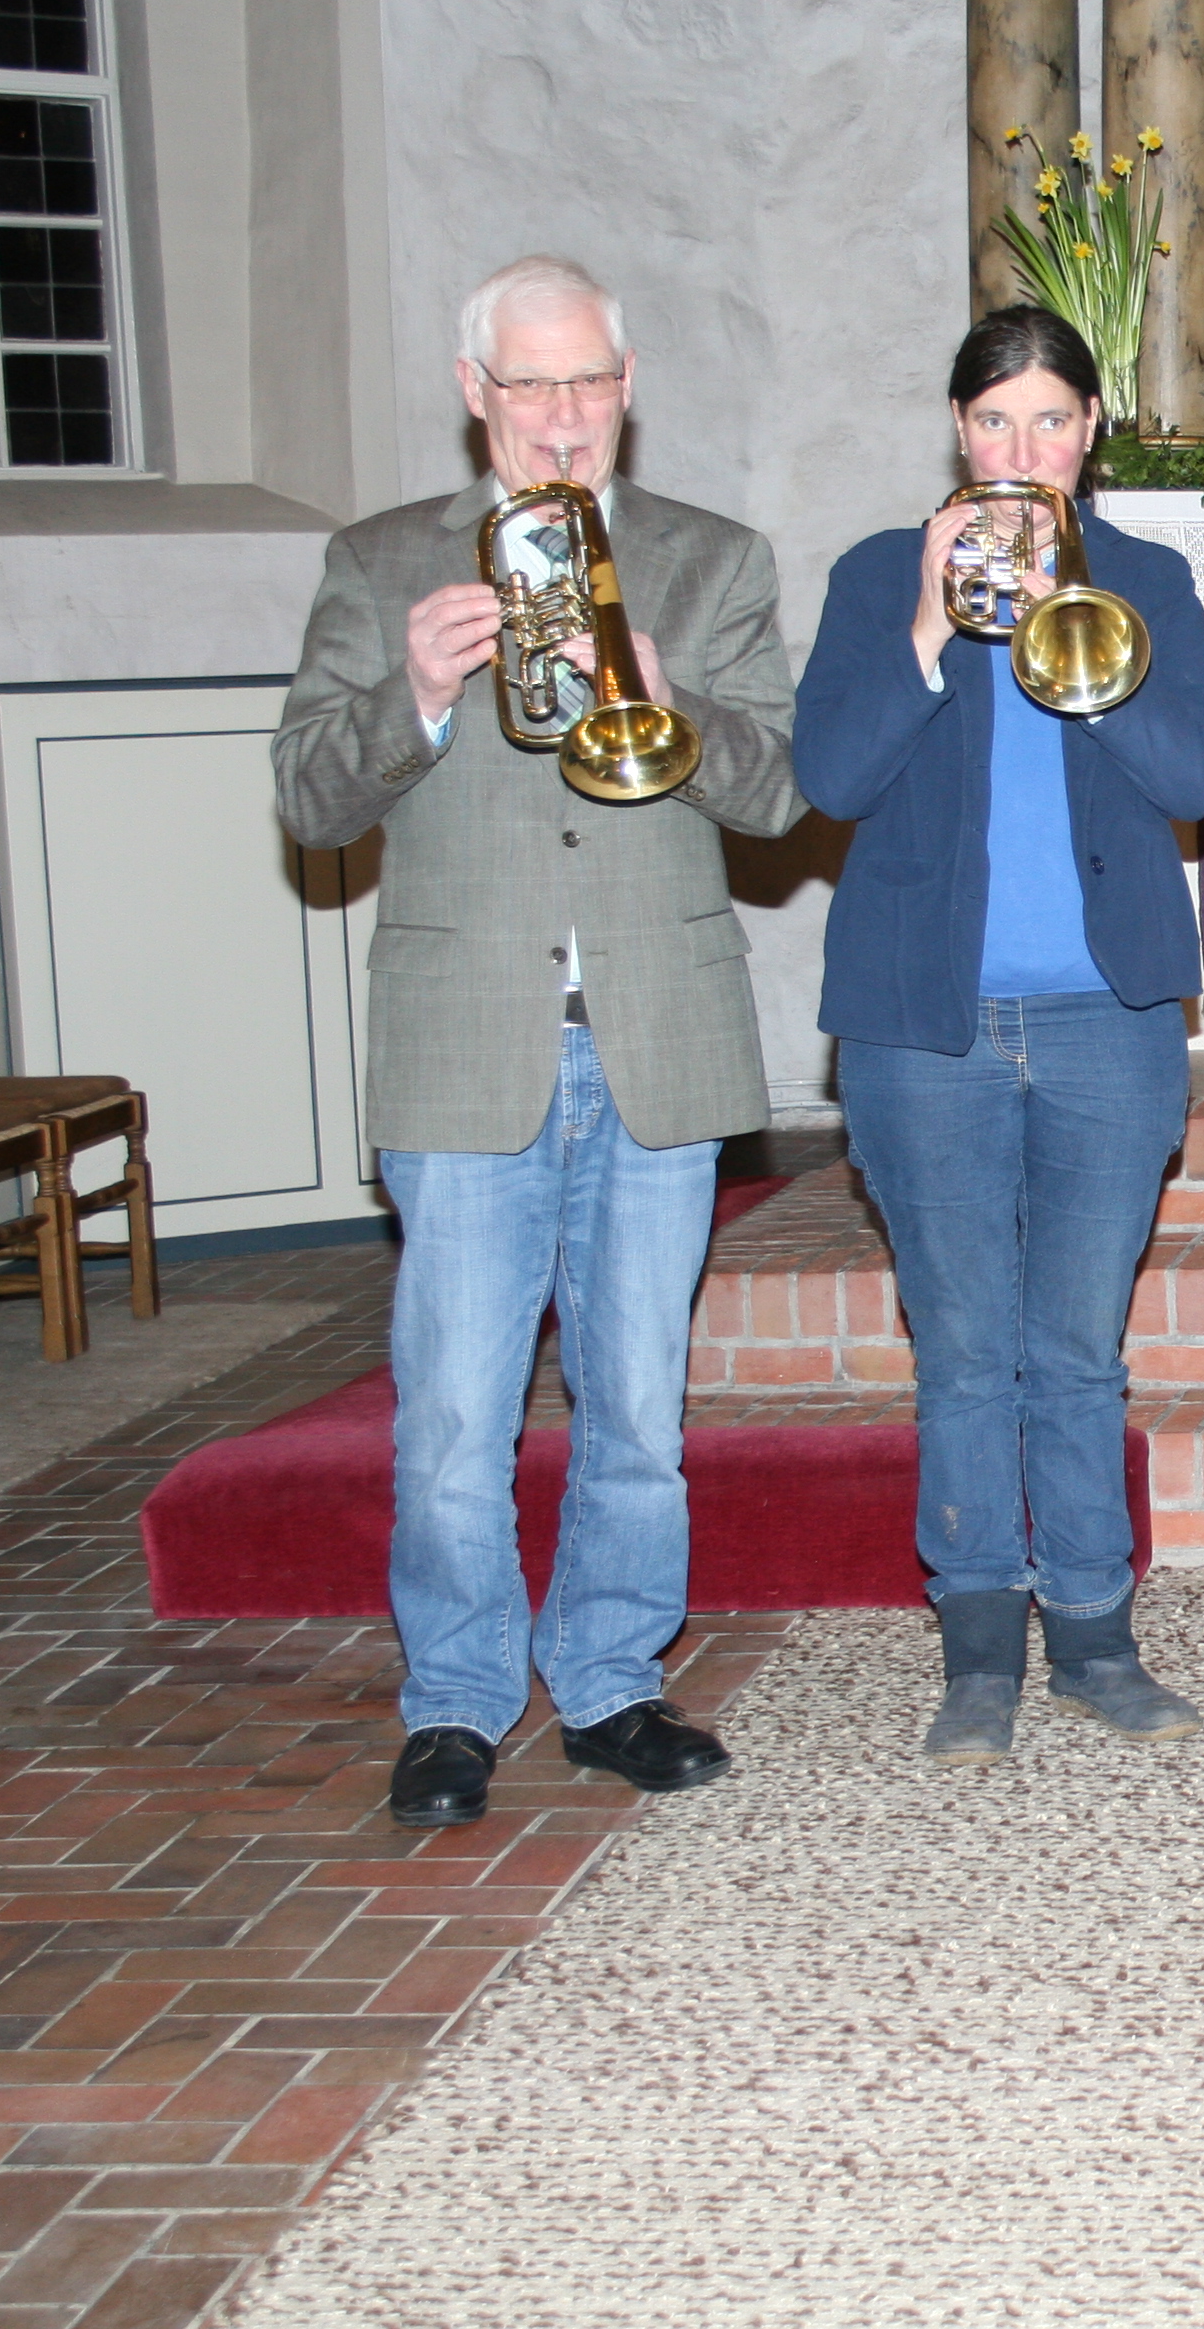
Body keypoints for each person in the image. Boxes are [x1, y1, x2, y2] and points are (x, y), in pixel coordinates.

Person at [273, 255, 802, 1829]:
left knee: (639, 1406)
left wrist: (667, 699)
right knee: (455, 1417)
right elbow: (308, 798)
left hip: (655, 1028)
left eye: (589, 383)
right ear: (474, 393)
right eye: (531, 384)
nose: (563, 416)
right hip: (465, 1040)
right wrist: (417, 694)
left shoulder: (712, 560)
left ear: (628, 388)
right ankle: (454, 1700)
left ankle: (613, 1677)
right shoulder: (381, 562)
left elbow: (779, 793)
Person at [793, 307, 1204, 1766]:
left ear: (1092, 431)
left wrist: (1074, 635)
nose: (1023, 452)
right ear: (957, 433)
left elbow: (1193, 777)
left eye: (1051, 421)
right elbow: (830, 779)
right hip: (926, 1026)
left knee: (1080, 1349)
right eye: (995, 423)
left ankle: (1096, 1632)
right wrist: (930, 626)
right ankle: (978, 1648)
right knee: (967, 1350)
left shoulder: (1148, 578)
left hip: (1108, 1017)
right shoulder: (878, 574)